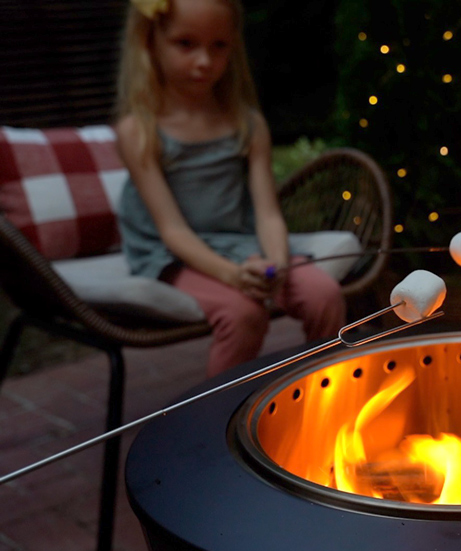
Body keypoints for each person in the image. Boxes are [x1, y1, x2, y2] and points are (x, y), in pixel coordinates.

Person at [114, 0, 346, 377]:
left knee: (325, 295)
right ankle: (211, 424)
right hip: (171, 253)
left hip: (239, 241)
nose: (204, 61)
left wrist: (277, 263)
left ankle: (324, 391)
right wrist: (232, 275)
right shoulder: (138, 132)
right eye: (186, 44)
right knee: (243, 314)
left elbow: (268, 213)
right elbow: (172, 231)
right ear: (150, 40)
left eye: (219, 46)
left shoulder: (248, 125)